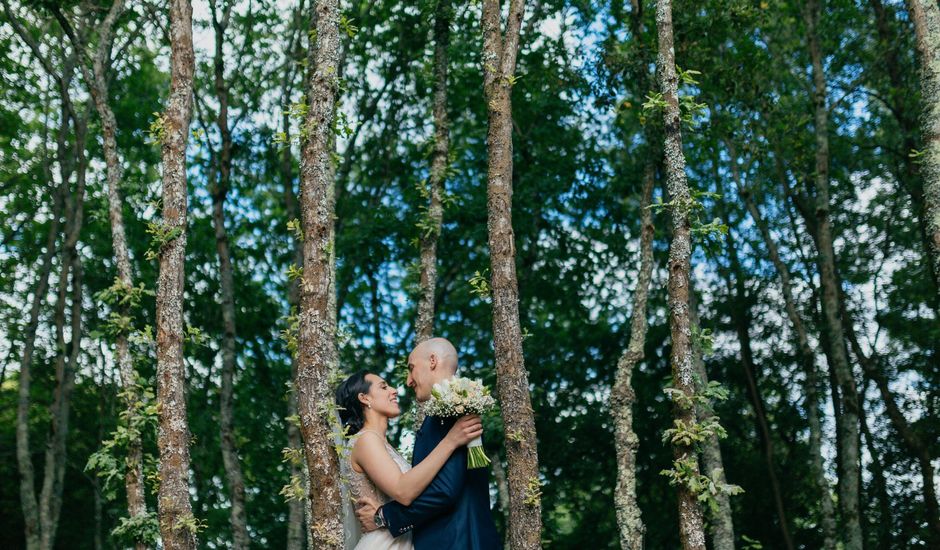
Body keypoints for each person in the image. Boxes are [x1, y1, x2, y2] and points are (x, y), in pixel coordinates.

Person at [355, 338, 502, 550]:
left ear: (432, 361)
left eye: (411, 369)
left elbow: (443, 491)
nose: (408, 381)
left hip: (454, 541)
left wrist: (384, 516)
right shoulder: (455, 408)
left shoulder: (449, 412)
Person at [335, 365, 483, 550]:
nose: (394, 390)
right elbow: (403, 491)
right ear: (364, 398)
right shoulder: (366, 441)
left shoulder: (381, 443)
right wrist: (450, 441)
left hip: (401, 539)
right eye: (383, 387)